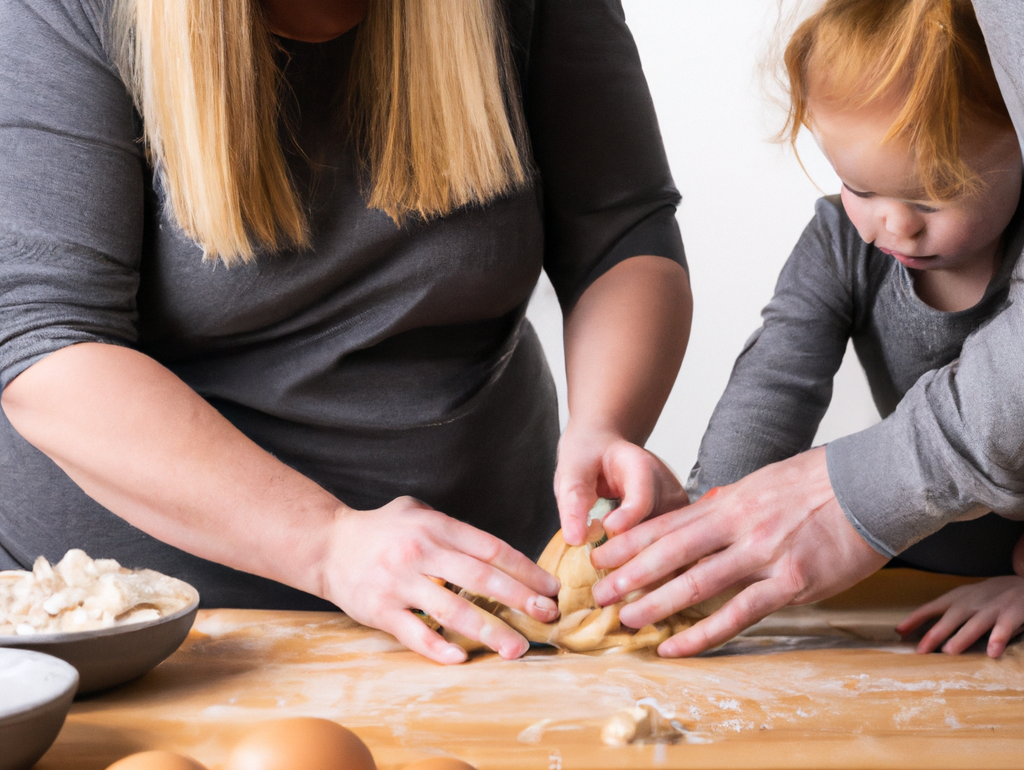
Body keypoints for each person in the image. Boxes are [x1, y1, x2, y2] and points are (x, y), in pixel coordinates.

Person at [0, 0, 691, 663]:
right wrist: (327, 544)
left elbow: (620, 230)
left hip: (485, 609)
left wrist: (604, 424)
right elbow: (47, 342)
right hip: (161, 633)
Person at [591, 0, 1024, 659]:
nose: (894, 227)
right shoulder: (837, 247)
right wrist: (710, 523)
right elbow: (773, 388)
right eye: (860, 186)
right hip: (908, 570)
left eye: (935, 195)